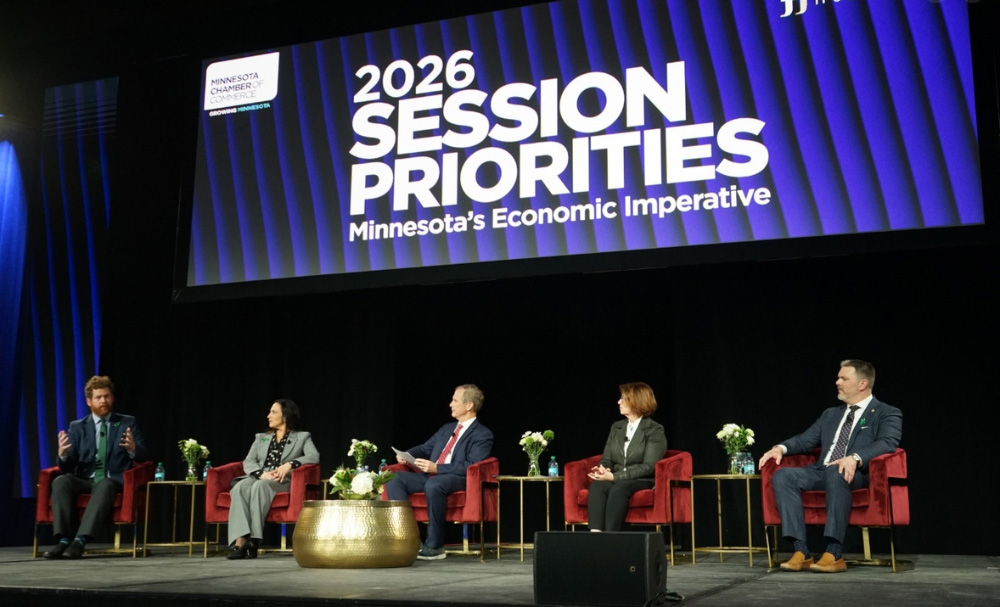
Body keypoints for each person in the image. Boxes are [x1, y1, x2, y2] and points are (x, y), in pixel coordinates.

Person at [758, 359, 902, 573]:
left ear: (862, 384)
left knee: (838, 470)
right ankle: (801, 551)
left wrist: (854, 457)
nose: (837, 382)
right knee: (783, 476)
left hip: (856, 475)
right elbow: (806, 440)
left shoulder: (886, 412)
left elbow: (888, 442)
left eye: (844, 378)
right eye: (838, 377)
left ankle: (834, 552)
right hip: (820, 471)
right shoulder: (831, 414)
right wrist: (781, 448)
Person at [44, 375, 149, 559]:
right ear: (89, 401)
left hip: (112, 479)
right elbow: (68, 466)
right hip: (85, 478)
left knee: (105, 484)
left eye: (107, 396)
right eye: (99, 397)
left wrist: (133, 449)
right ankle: (63, 540)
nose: (104, 401)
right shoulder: (77, 427)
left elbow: (144, 456)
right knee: (61, 481)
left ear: (112, 398)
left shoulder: (126, 423)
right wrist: (63, 454)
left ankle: (80, 541)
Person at [386, 384, 493, 560]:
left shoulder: (482, 434)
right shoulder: (446, 429)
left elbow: (472, 464)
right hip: (431, 475)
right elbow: (425, 448)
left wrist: (438, 468)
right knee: (394, 478)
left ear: (469, 405)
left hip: (457, 478)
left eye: (455, 400)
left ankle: (435, 546)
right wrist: (408, 455)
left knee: (434, 484)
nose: (450, 404)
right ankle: (409, 539)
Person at [226, 399, 319, 560]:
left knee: (260, 487)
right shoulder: (261, 438)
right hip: (261, 476)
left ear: (286, 415)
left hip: (282, 481)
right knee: (240, 487)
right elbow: (249, 461)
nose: (269, 416)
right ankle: (240, 541)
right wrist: (260, 474)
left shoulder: (302, 437)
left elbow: (313, 456)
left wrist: (290, 464)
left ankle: (254, 541)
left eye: (273, 412)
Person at [586, 381, 667, 532]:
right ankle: (595, 539)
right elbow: (607, 457)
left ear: (637, 401)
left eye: (623, 398)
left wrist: (615, 477)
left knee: (619, 488)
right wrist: (604, 469)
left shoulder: (654, 430)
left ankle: (610, 539)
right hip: (616, 477)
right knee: (597, 486)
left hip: (642, 479)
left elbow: (648, 466)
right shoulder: (617, 427)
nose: (619, 402)